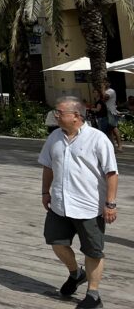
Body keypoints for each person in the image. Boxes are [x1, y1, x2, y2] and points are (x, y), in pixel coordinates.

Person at [39, 95, 118, 309]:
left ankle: (93, 295)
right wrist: (45, 192)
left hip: (89, 207)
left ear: (76, 116)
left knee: (93, 251)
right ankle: (76, 273)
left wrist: (110, 204)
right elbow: (48, 166)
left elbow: (111, 173)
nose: (55, 115)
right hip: (59, 204)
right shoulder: (54, 137)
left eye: (59, 112)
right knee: (56, 242)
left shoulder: (98, 138)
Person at [98, 84, 123, 153]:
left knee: (114, 129)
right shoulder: (106, 91)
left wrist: (102, 90)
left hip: (111, 112)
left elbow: (104, 99)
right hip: (107, 113)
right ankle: (113, 147)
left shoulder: (110, 91)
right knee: (110, 131)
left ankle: (120, 146)